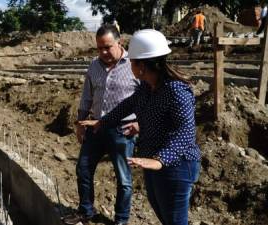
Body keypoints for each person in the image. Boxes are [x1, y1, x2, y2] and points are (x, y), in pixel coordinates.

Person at [79, 29, 201, 225]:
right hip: (152, 159)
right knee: (164, 215)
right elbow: (127, 105)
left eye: (132, 62)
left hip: (176, 164)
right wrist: (103, 121)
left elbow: (186, 134)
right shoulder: (147, 87)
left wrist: (161, 160)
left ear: (141, 66)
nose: (129, 65)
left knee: (175, 220)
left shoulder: (176, 91)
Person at [63, 24, 140, 225]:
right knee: (83, 169)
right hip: (95, 127)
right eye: (99, 48)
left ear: (119, 42)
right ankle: (86, 211)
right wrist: (80, 123)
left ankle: (121, 220)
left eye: (107, 47)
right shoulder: (94, 66)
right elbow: (86, 97)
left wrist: (140, 123)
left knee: (123, 180)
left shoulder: (135, 64)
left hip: (122, 130)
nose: (103, 52)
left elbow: (148, 98)